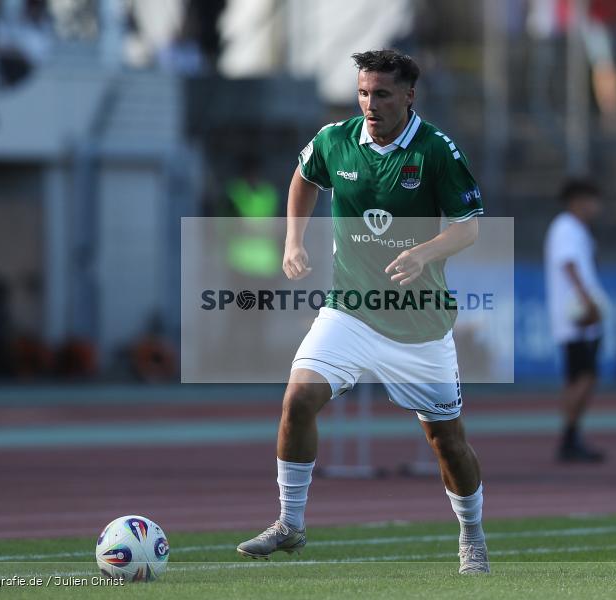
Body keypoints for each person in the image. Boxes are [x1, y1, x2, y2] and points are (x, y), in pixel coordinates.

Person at [235, 49, 488, 574]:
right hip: (350, 309)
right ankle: (290, 523)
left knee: (447, 442)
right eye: (364, 92)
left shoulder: (436, 150)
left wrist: (424, 252)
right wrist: (293, 241)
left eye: (383, 94)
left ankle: (472, 535)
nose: (370, 104)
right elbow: (304, 177)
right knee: (297, 400)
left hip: (418, 321)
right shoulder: (336, 140)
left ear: (409, 96)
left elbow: (468, 226)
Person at [544, 178, 607, 463]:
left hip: (578, 312)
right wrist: (586, 301)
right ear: (577, 201)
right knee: (584, 376)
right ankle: (569, 437)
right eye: (591, 200)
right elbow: (567, 264)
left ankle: (571, 436)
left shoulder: (574, 229)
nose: (596, 207)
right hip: (576, 316)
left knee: (580, 376)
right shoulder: (566, 227)